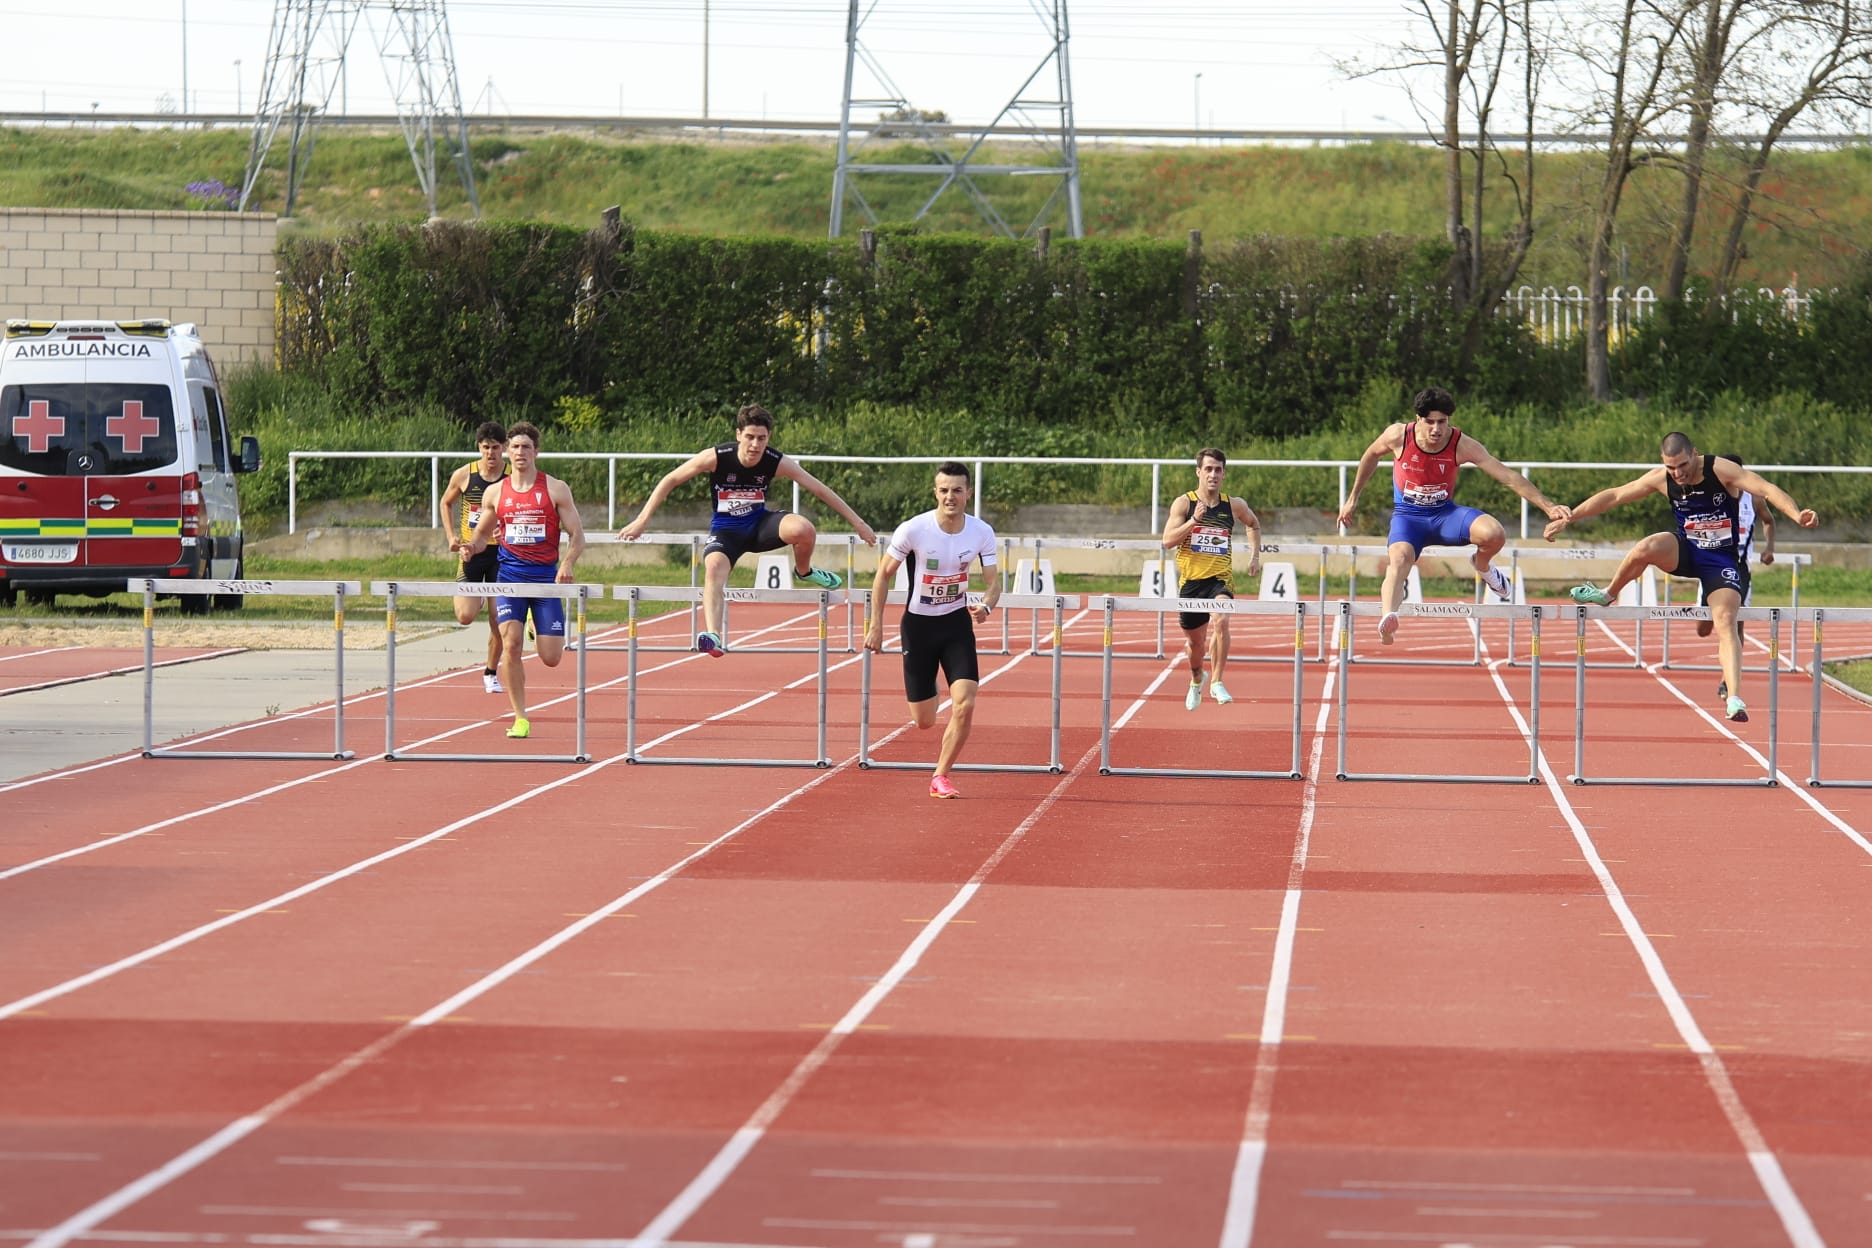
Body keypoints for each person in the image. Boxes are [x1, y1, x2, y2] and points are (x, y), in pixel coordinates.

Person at [1544, 431, 1817, 724]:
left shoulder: (1719, 469)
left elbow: (1765, 488)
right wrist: (1569, 518)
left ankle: (1734, 697)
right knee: (1646, 546)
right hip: (1686, 550)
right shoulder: (1663, 478)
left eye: (1683, 466)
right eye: (1670, 467)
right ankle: (1608, 594)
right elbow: (1614, 495)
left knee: (1725, 620)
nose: (1677, 473)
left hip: (1721, 560)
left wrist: (1796, 513)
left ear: (1694, 454)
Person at [617, 404, 878, 657]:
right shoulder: (717, 457)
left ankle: (804, 571)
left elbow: (820, 489)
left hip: (760, 525)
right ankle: (714, 636)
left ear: (769, 438)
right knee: (713, 569)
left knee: (804, 528)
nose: (755, 445)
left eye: (761, 439)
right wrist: (642, 520)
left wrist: (860, 524)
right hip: (726, 531)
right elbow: (670, 479)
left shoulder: (776, 460)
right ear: (738, 434)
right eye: (750, 437)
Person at [1337, 386, 1571, 646]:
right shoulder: (1398, 436)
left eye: (1442, 422)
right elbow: (1370, 455)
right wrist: (1352, 499)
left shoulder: (1461, 444)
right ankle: (1388, 622)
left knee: (1494, 534)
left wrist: (1548, 506)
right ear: (1418, 419)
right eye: (1430, 422)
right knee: (1399, 560)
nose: (1436, 429)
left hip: (1444, 515)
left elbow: (1507, 476)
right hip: (1409, 518)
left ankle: (1483, 567)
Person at [864, 462, 1001, 799]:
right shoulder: (914, 530)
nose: (950, 496)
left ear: (968, 493)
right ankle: (935, 685)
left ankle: (940, 775)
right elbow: (883, 575)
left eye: (957, 490)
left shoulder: (981, 532)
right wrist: (876, 625)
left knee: (965, 704)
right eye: (944, 490)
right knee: (924, 720)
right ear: (935, 492)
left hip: (956, 625)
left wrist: (986, 605)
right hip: (919, 627)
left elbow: (994, 580)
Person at [458, 422, 588, 739]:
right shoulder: (496, 492)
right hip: (510, 579)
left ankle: (534, 621)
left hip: (544, 580)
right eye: (514, 447)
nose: (519, 453)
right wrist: (471, 548)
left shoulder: (555, 489)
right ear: (506, 451)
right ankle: (520, 718)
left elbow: (578, 536)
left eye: (525, 447)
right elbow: (482, 533)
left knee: (551, 658)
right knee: (511, 646)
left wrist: (568, 563)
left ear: (536, 452)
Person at [1162, 447, 1262, 710]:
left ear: (1224, 474)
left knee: (1221, 619)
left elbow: (1253, 524)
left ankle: (1217, 681)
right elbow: (1167, 541)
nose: (1213, 474)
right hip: (1191, 583)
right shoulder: (1184, 503)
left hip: (1220, 580)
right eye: (1208, 469)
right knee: (1195, 644)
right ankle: (1198, 678)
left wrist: (1254, 556)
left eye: (1218, 470)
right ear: (1198, 472)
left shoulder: (1234, 505)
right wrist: (1193, 522)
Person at [1696, 456, 1776, 704]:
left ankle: (1727, 680)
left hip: (1740, 567)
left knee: (1734, 624)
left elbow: (1769, 521)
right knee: (1703, 629)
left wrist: (1769, 548)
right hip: (1712, 565)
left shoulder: (1753, 498)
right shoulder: (1709, 496)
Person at [439, 420, 509, 694]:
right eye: (486, 447)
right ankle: (477, 595)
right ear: (479, 447)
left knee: (498, 618)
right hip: (471, 551)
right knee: (465, 616)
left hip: (501, 554)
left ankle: (491, 671)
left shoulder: (513, 476)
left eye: (495, 448)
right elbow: (446, 502)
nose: (490, 453)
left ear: (503, 448)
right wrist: (451, 537)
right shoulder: (465, 474)